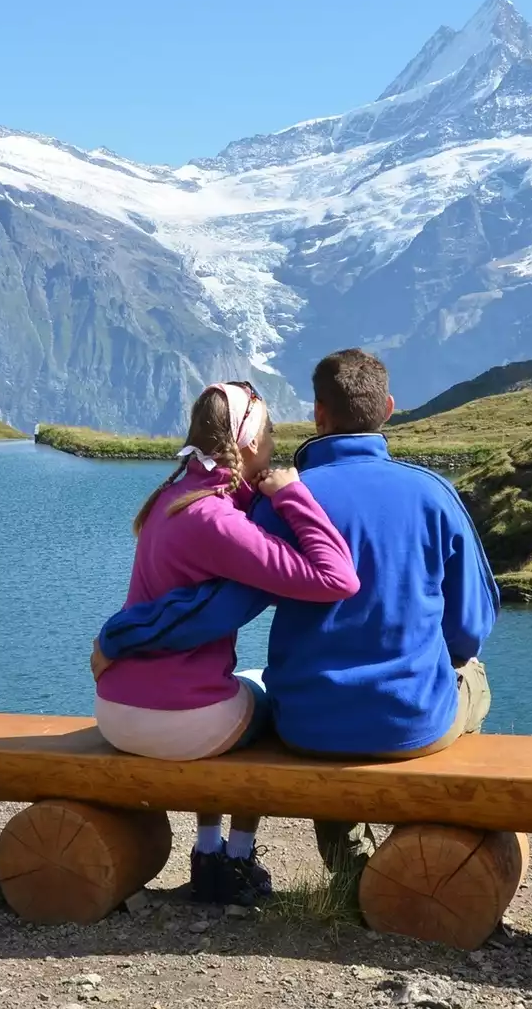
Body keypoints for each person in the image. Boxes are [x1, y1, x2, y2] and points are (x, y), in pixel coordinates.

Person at [97, 349, 499, 876]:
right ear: (389, 408)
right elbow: (469, 628)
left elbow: (219, 609)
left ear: (318, 414)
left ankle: (348, 861)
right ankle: (444, 828)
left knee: (314, 707)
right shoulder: (435, 493)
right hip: (413, 720)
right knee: (473, 676)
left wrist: (121, 636)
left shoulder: (278, 502)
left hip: (308, 725)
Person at [90, 380, 360, 906]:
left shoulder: (171, 497)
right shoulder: (216, 519)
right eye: (271, 432)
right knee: (273, 700)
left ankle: (206, 849)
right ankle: (235, 857)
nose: (275, 443)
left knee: (232, 693)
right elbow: (336, 578)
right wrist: (291, 494)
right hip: (174, 722)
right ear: (251, 440)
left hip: (115, 709)